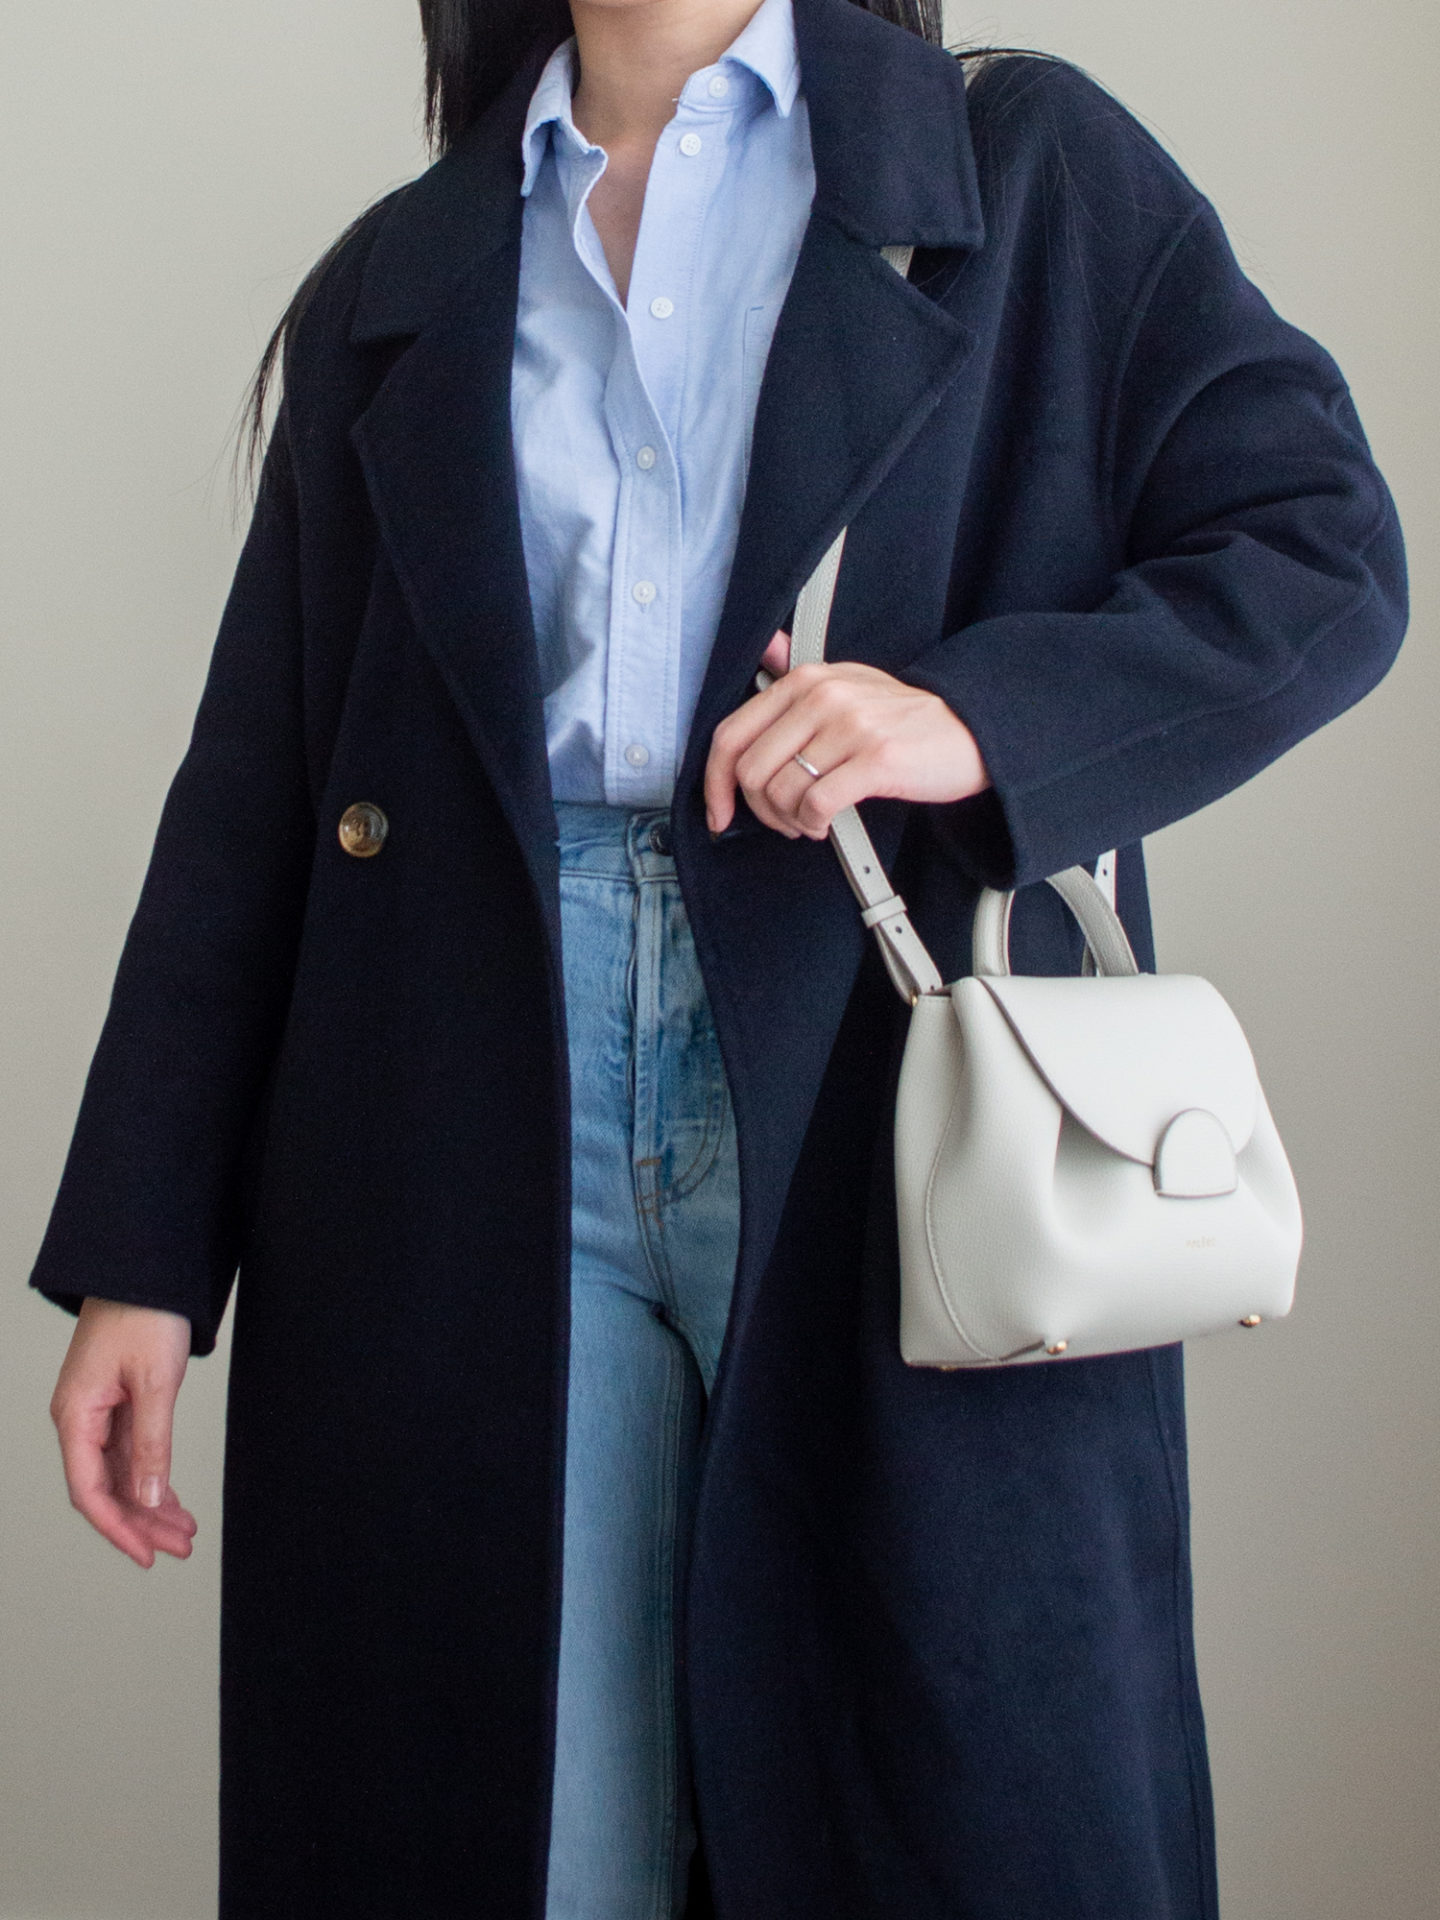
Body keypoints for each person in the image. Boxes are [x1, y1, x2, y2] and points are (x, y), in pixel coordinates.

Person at [31, 0, 1406, 1914]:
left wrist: (970, 717)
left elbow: (1326, 550)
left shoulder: (1025, 170)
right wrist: (145, 1257)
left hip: (879, 1044)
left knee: (932, 1796)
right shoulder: (405, 265)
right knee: (526, 1837)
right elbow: (258, 780)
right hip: (455, 1072)